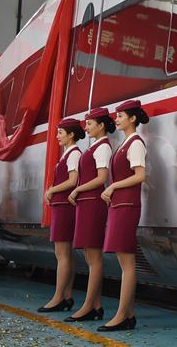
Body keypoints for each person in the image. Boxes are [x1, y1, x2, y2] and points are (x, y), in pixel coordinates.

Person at [98, 99, 149, 332]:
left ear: (133, 118)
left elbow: (140, 175)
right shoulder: (126, 143)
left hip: (127, 206)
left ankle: (122, 315)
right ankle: (128, 315)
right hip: (120, 205)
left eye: (120, 116)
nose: (116, 119)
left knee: (127, 263)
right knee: (124, 262)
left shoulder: (135, 143)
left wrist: (112, 186)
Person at [65, 107, 114, 322]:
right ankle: (96, 305)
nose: (86, 128)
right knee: (89, 257)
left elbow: (101, 178)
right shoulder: (95, 146)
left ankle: (88, 306)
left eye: (90, 123)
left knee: (94, 258)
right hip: (86, 204)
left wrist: (77, 189)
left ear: (101, 125)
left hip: (93, 204)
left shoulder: (102, 147)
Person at [37, 117, 84, 313]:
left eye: (60, 133)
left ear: (71, 135)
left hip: (64, 207)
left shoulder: (73, 154)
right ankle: (66, 296)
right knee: (66, 255)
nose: (57, 136)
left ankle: (58, 297)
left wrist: (52, 190)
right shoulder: (69, 153)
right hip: (62, 206)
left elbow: (73, 180)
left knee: (62, 255)